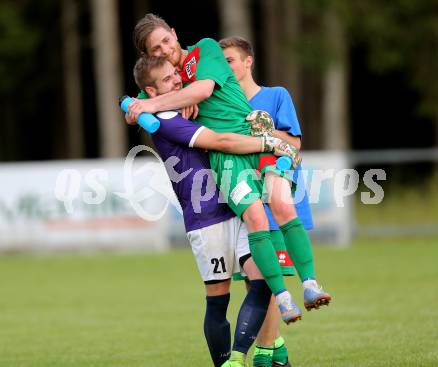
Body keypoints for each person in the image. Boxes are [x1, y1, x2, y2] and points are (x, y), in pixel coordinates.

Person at [127, 15, 313, 341]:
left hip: (247, 177)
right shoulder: (172, 97)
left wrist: (152, 104)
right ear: (151, 57)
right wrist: (155, 102)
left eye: (166, 41)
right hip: (214, 200)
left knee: (265, 273)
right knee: (236, 291)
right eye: (156, 49)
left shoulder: (203, 56)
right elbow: (216, 134)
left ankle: (286, 320)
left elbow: (201, 88)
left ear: (174, 33)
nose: (166, 49)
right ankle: (259, 353)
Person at [220, 36, 326, 367]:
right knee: (255, 285)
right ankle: (277, 351)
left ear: (248, 61)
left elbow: (294, 146)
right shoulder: (224, 106)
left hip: (276, 201)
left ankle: (264, 357)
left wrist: (266, 132)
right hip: (245, 202)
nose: (226, 67)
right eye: (221, 63)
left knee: (267, 283)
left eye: (231, 60)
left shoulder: (276, 96)